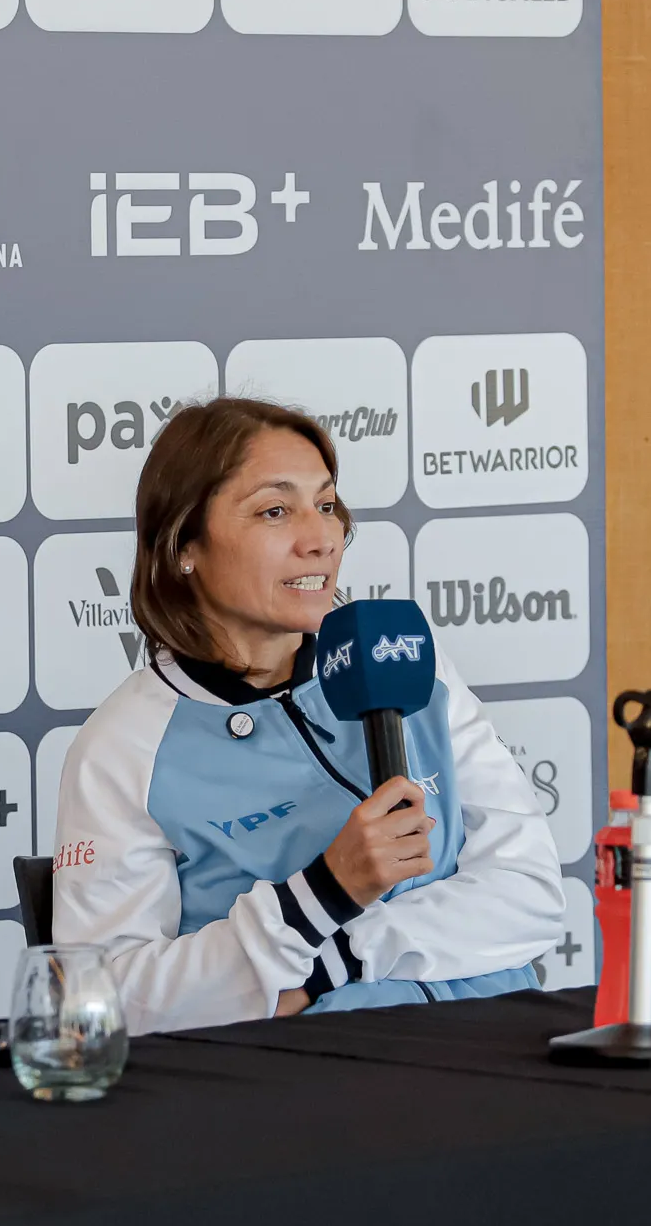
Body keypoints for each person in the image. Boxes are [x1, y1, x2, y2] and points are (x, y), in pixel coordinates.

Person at [51, 398, 566, 1035]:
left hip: (506, 1044)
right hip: (311, 1091)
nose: (321, 538)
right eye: (275, 510)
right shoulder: (123, 745)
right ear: (184, 545)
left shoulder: (411, 668)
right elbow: (105, 999)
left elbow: (533, 895)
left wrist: (338, 962)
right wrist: (322, 892)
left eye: (325, 506)